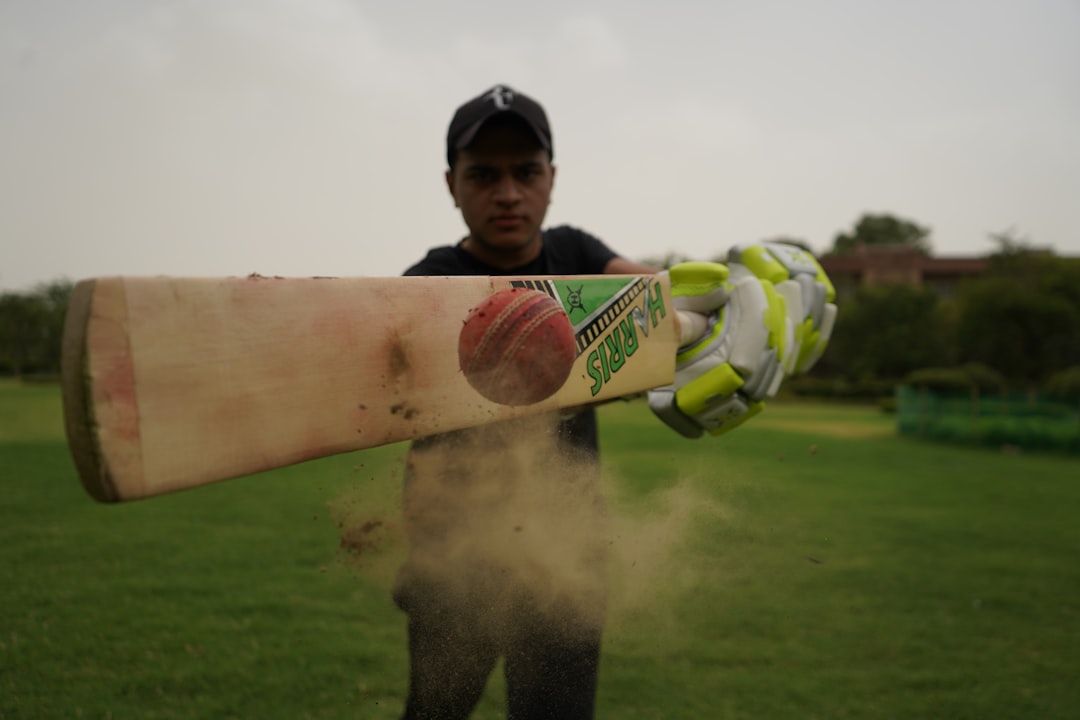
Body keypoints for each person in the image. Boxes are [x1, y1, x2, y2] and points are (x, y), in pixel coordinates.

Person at [393, 84, 836, 719]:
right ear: (451, 183)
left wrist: (741, 314)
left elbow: (655, 301)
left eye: (526, 171)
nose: (508, 192)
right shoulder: (430, 282)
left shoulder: (575, 252)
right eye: (483, 174)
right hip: (455, 557)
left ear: (552, 178)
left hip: (567, 553)